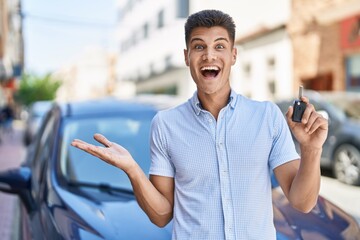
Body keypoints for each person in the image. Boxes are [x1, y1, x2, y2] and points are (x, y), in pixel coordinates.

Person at [71, 9, 328, 239]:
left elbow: (302, 202)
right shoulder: (165, 125)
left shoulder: (267, 117)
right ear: (186, 56)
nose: (209, 56)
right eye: (198, 47)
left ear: (233, 55)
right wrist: (132, 170)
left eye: (219, 46)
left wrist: (311, 149)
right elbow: (161, 215)